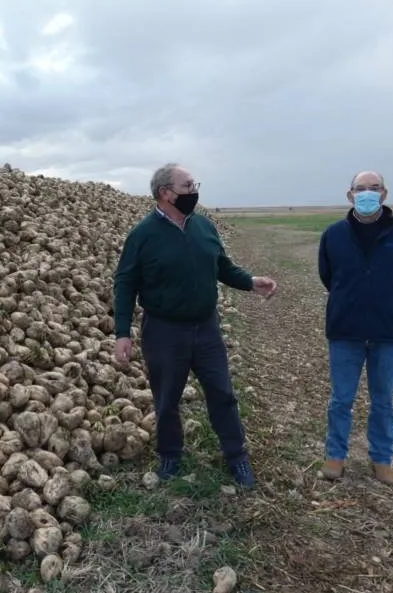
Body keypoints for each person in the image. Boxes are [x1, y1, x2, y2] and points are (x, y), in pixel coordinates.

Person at [111, 163, 277, 488]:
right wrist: (121, 333)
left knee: (222, 394)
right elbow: (125, 283)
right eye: (188, 186)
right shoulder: (143, 235)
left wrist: (250, 282)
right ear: (165, 193)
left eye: (194, 184)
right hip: (163, 332)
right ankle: (170, 455)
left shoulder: (203, 226)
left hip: (206, 328)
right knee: (166, 399)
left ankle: (237, 457)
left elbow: (222, 266)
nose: (194, 191)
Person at [316, 171, 393, 486]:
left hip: (387, 330)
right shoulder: (333, 234)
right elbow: (328, 276)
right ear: (350, 195)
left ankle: (382, 459)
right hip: (345, 329)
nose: (367, 194)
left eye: (373, 188)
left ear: (384, 194)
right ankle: (335, 456)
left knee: (383, 400)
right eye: (360, 189)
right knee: (341, 399)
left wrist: (384, 298)